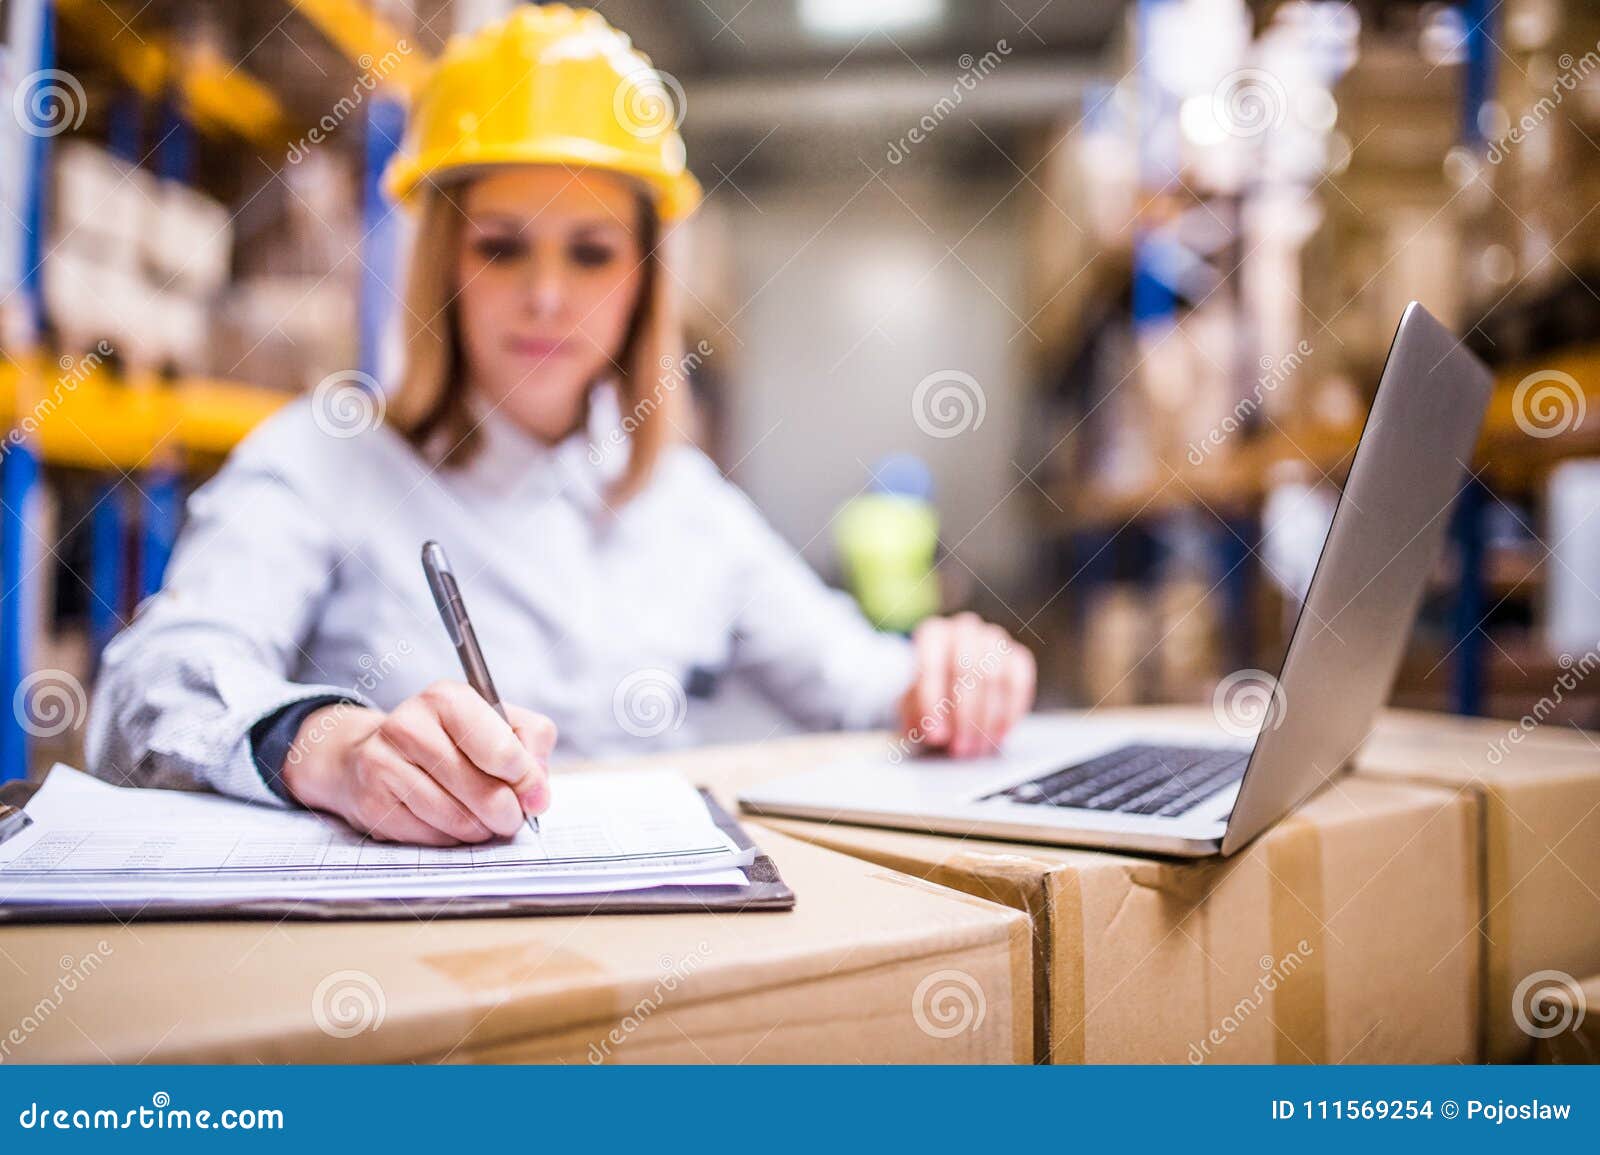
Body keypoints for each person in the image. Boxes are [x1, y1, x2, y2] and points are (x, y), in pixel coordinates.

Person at [86, 5, 1035, 847]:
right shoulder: (320, 458)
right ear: (444, 264)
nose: (546, 297)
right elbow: (150, 686)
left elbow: (860, 681)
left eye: (591, 253)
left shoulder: (684, 504)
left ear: (645, 282)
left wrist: (949, 676)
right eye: (503, 248)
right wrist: (329, 747)